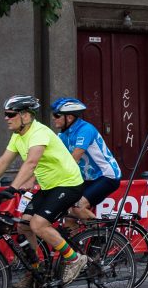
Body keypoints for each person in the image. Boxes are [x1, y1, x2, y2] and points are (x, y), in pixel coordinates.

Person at [0, 96, 86, 288]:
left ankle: (74, 258)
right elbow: (3, 161)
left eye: (10, 114)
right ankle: (36, 270)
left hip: (68, 185)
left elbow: (31, 163)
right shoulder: (18, 136)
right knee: (24, 226)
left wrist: (12, 188)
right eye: (5, 114)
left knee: (38, 224)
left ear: (26, 116)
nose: (6, 118)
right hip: (49, 186)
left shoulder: (39, 133)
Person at [50, 98, 122, 230]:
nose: (53, 118)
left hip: (106, 176)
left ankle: (104, 234)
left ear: (70, 117)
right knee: (69, 215)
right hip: (88, 179)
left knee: (78, 207)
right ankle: (75, 249)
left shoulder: (85, 130)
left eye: (56, 115)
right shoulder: (62, 135)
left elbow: (73, 160)